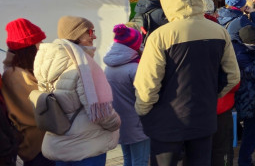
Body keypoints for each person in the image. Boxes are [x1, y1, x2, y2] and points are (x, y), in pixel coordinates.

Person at [135, 0, 240, 165]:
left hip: (166, 120)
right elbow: (232, 77)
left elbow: (148, 84)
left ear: (169, 2)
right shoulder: (219, 32)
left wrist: (143, 110)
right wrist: (211, 96)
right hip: (204, 117)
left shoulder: (160, 36)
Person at [34, 16, 120, 164]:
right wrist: (115, 123)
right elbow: (99, 112)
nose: (94, 36)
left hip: (58, 141)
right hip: (86, 146)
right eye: (90, 32)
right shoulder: (81, 66)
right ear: (76, 35)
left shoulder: (45, 61)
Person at [2, 19, 52, 166]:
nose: (42, 46)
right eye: (39, 42)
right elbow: (39, 109)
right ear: (28, 48)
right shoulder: (15, 75)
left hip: (42, 143)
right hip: (37, 146)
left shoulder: (22, 70)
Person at [103, 25, 149, 165]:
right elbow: (145, 97)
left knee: (128, 159)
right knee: (140, 161)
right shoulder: (135, 68)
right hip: (137, 124)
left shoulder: (109, 66)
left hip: (120, 122)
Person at [229, 19, 255, 166]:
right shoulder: (242, 55)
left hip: (241, 98)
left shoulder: (235, 48)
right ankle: (244, 161)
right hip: (249, 101)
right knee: (252, 133)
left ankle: (243, 159)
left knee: (244, 131)